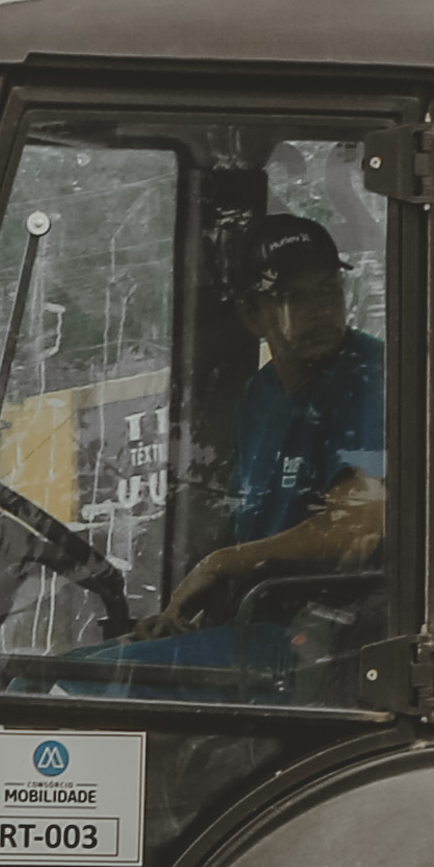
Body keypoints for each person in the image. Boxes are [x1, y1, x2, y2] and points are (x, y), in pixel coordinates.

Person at [167, 212, 389, 630]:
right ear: (252, 315)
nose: (321, 310)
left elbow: (356, 524)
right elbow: (247, 530)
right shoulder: (258, 395)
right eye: (293, 297)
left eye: (328, 289)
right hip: (251, 623)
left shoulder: (367, 374)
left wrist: (223, 563)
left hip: (313, 639)